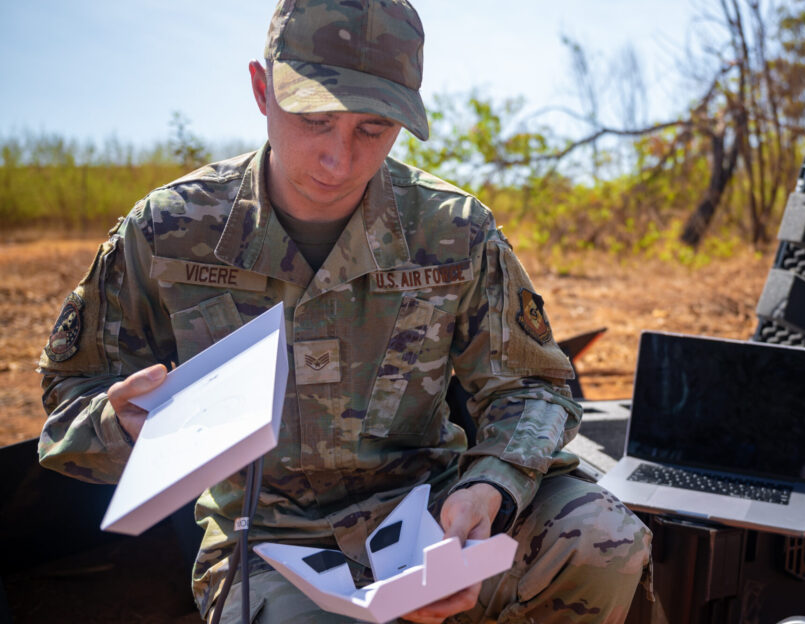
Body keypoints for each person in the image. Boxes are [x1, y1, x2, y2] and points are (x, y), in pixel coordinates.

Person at [36, 1, 651, 622]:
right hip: (271, 543)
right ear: (261, 88)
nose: (339, 159)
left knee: (603, 541)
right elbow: (67, 401)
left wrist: (490, 486)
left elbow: (534, 384)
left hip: (434, 514)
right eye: (315, 119)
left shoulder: (452, 231)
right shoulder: (169, 231)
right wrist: (122, 428)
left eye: (372, 129)